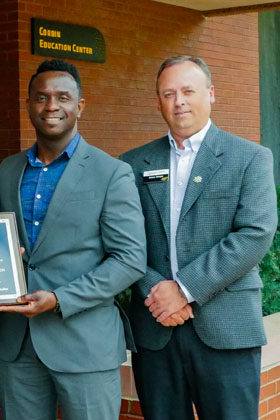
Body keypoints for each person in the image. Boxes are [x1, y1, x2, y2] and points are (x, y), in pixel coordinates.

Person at [120, 55, 277, 420]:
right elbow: (122, 240)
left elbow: (255, 234)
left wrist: (184, 289)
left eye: (188, 91)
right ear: (158, 101)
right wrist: (157, 289)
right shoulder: (131, 164)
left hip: (226, 329)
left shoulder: (250, 158)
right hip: (156, 327)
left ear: (211, 94)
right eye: (168, 93)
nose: (179, 101)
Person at [0, 59, 147, 420]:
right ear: (28, 104)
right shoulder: (9, 169)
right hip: (20, 345)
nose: (51, 106)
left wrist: (60, 299)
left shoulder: (112, 172)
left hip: (85, 343)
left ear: (80, 106)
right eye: (41, 97)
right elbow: (4, 247)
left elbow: (130, 259)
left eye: (63, 97)